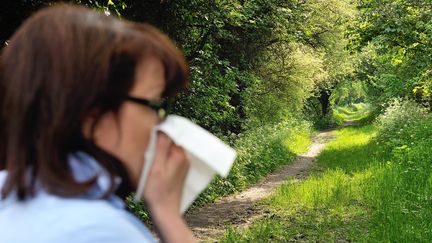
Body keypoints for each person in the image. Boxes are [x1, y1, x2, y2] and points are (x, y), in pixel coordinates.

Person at [0, 4, 197, 243]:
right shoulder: (100, 231)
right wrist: (169, 217)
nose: (160, 125)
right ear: (93, 114)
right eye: (153, 105)